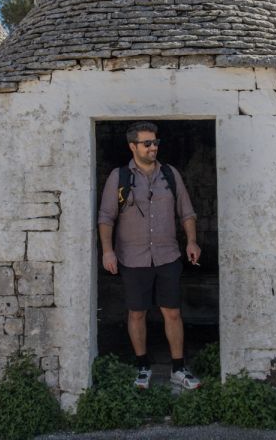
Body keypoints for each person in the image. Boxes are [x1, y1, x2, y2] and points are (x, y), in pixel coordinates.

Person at [97, 121, 202, 390]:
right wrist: (107, 251)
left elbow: (187, 213)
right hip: (132, 258)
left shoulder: (170, 174)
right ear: (133, 146)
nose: (153, 147)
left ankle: (178, 368)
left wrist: (192, 241)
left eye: (155, 142)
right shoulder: (119, 177)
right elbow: (106, 217)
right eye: (147, 143)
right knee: (136, 314)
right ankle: (142, 366)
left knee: (173, 313)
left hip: (168, 256)